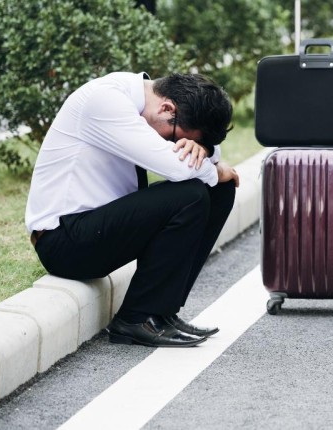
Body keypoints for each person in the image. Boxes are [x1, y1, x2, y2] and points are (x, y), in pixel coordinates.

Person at [25, 72, 240, 348]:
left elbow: (203, 157)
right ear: (167, 109)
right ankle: (135, 319)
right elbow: (175, 167)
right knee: (192, 194)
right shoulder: (105, 101)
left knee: (218, 191)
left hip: (101, 228)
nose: (176, 145)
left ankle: (160, 313)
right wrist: (216, 169)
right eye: (177, 138)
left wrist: (205, 152)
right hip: (64, 241)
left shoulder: (149, 101)